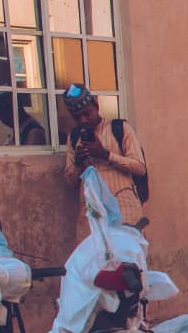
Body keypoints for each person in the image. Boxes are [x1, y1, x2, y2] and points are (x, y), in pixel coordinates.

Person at [61, 83, 147, 232]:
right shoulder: (74, 138)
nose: (83, 120)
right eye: (77, 117)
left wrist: (106, 155)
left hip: (125, 213)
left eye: (87, 113)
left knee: (126, 247)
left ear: (97, 106)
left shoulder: (120, 129)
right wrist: (78, 164)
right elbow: (70, 182)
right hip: (92, 218)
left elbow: (140, 168)